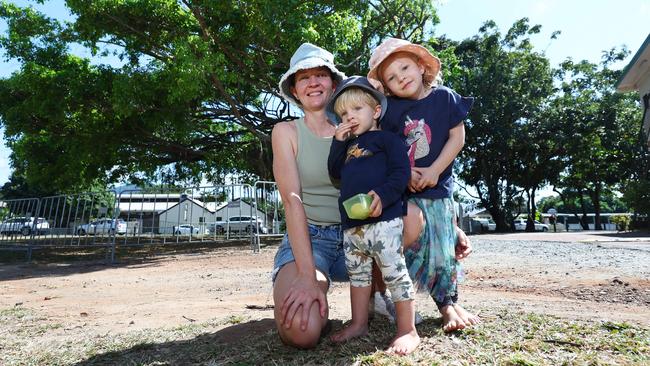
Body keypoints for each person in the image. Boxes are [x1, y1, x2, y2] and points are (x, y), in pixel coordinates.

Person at [271, 42, 473, 350]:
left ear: (334, 83)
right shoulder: (286, 132)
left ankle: (380, 296)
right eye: (303, 78)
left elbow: (409, 177)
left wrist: (448, 226)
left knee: (410, 219)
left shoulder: (364, 118)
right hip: (312, 239)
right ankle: (330, 302)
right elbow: (292, 201)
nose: (313, 82)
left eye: (320, 75)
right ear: (295, 90)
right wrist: (305, 274)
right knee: (301, 330)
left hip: (367, 227)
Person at [367, 37, 481, 332]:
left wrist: (434, 170)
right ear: (386, 87)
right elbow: (384, 148)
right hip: (405, 192)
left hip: (439, 188)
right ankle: (379, 295)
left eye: (404, 67)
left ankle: (448, 305)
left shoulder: (444, 98)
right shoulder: (390, 111)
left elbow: (458, 137)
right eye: (391, 77)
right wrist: (404, 174)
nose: (400, 77)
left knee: (443, 250)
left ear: (420, 67)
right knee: (410, 239)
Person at [326, 76, 419, 354]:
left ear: (375, 111)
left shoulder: (388, 140)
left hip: (384, 220)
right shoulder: (348, 148)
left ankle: (408, 330)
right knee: (358, 276)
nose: (349, 117)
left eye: (356, 109)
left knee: (394, 271)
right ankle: (358, 323)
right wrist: (338, 142)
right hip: (353, 225)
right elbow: (334, 173)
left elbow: (400, 174)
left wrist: (384, 194)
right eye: (343, 113)